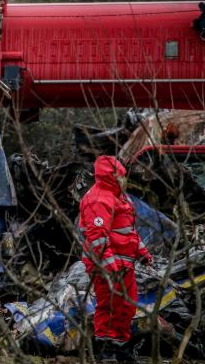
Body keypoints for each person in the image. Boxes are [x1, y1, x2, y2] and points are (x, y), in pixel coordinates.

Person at [80, 155, 153, 362]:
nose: (124, 179)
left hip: (122, 263)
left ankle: (120, 348)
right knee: (109, 305)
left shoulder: (119, 196)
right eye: (120, 175)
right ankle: (106, 351)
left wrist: (143, 253)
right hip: (107, 266)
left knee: (126, 306)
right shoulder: (98, 198)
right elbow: (97, 238)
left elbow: (127, 231)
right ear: (112, 176)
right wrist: (110, 266)